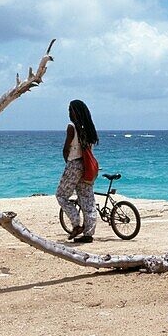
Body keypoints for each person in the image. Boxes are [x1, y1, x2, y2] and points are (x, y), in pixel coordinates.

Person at [57, 99, 99, 243]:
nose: (69, 113)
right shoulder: (89, 127)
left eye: (70, 110)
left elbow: (65, 149)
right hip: (87, 166)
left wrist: (68, 164)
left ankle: (76, 224)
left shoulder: (71, 127)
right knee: (87, 200)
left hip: (74, 164)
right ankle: (88, 233)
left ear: (75, 112)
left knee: (61, 195)